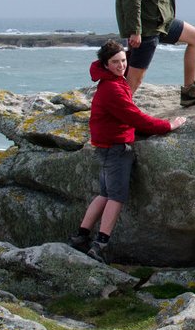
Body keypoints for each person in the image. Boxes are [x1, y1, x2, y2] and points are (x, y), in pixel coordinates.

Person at [69, 40, 186, 263]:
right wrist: (168, 125)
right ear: (105, 63)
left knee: (104, 194)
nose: (122, 65)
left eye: (123, 60)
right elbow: (135, 117)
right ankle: (100, 245)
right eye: (115, 62)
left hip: (105, 147)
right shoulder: (112, 88)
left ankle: (80, 236)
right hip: (115, 149)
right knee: (115, 197)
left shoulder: (109, 81)